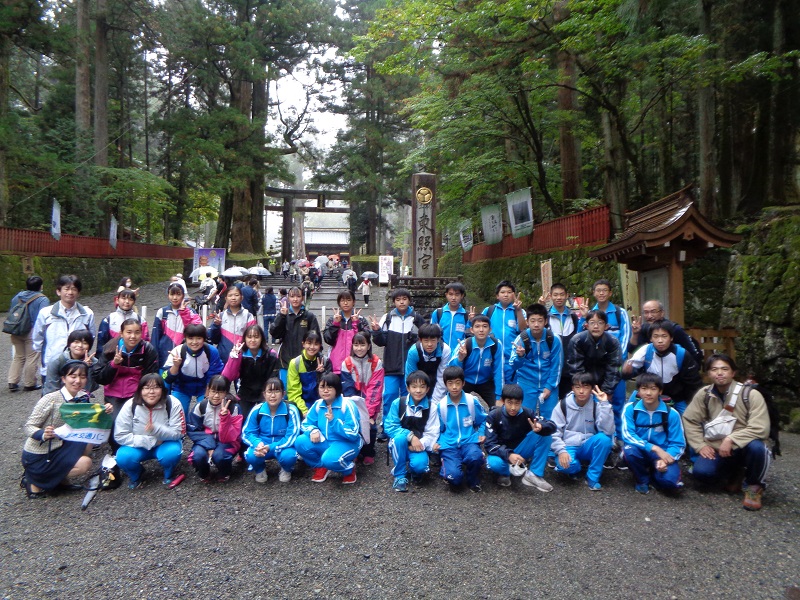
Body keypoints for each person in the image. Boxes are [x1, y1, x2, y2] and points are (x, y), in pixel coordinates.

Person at [682, 354, 772, 511]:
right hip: (717, 445)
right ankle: (735, 472)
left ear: (733, 372)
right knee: (702, 473)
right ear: (708, 373)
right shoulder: (704, 394)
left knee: (759, 449)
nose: (719, 373)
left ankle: (754, 486)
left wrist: (731, 439)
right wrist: (700, 445)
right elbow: (690, 419)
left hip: (745, 444)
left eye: (724, 369)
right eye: (714, 369)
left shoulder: (750, 394)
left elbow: (760, 427)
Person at [20, 361, 113, 498]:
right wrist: (43, 434)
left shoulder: (82, 397)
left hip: (62, 445)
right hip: (41, 452)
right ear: (63, 379)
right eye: (73, 376)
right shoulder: (50, 399)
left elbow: (89, 417)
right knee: (85, 461)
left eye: (82, 377)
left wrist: (105, 410)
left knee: (88, 445)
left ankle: (59, 480)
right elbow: (28, 426)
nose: (78, 381)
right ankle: (33, 480)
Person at [93, 318, 160, 452]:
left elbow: (150, 377)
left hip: (137, 393)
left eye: (137, 332)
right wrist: (114, 364)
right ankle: (116, 453)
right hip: (114, 394)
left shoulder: (147, 349)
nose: (133, 336)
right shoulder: (110, 349)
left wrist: (144, 396)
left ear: (141, 333)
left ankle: (135, 452)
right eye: (129, 332)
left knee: (138, 423)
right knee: (114, 423)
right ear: (121, 333)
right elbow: (99, 378)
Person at [578, 279, 631, 441]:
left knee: (617, 403)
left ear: (610, 293)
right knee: (595, 404)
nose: (601, 293)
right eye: (598, 290)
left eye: (604, 290)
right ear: (593, 293)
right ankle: (599, 438)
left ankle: (619, 439)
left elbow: (625, 337)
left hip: (615, 367)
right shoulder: (589, 313)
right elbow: (580, 338)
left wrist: (616, 360)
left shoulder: (619, 313)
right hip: (595, 368)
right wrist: (583, 317)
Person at [114, 374, 186, 488]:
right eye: (146, 388)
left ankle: (169, 473)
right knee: (123, 457)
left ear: (163, 389)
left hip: (165, 443)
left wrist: (157, 429)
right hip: (139, 446)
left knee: (172, 453)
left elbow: (179, 432)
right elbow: (120, 435)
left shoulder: (172, 403)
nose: (151, 392)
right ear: (140, 390)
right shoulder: (130, 405)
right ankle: (136, 475)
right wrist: (151, 441)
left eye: (156, 387)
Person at [371, 288, 425, 439]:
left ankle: (408, 426)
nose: (401, 302)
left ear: (409, 301)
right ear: (393, 302)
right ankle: (387, 427)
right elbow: (381, 341)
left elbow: (425, 339)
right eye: (398, 299)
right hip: (391, 367)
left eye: (404, 299)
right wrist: (376, 331)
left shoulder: (416, 319)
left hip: (411, 368)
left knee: (410, 398)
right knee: (389, 397)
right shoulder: (388, 318)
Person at [621, 373, 686, 495]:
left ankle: (655, 474)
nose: (648, 393)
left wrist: (666, 460)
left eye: (653, 389)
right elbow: (628, 435)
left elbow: (678, 443)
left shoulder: (671, 413)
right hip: (640, 450)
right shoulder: (630, 409)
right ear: (638, 391)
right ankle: (642, 480)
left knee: (671, 484)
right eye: (644, 388)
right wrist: (654, 448)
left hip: (663, 453)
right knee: (629, 451)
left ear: (660, 391)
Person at [621, 319, 703, 414]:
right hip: (648, 392)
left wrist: (695, 403)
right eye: (656, 336)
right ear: (651, 339)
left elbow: (693, 382)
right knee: (628, 411)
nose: (660, 341)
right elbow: (630, 371)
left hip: (676, 397)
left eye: (664, 336)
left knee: (689, 418)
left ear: (671, 338)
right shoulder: (645, 351)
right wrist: (626, 371)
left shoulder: (681, 354)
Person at [295, 373, 363, 484]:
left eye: (330, 387)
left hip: (347, 443)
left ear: (337, 388)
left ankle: (349, 469)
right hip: (326, 442)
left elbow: (353, 433)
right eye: (322, 387)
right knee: (300, 442)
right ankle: (321, 467)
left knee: (330, 459)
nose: (325, 391)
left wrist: (334, 422)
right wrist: (313, 430)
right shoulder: (318, 404)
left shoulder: (347, 405)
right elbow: (305, 424)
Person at [550, 374, 615, 490]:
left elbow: (608, 430)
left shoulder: (596, 405)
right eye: (577, 387)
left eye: (586, 387)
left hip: (587, 444)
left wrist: (605, 404)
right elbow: (554, 432)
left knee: (605, 440)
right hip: (568, 446)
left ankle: (592, 477)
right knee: (567, 466)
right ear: (572, 388)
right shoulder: (563, 405)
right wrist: (561, 451)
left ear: (592, 389)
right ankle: (576, 468)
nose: (581, 391)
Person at [429, 366, 488, 492]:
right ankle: (447, 468)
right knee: (455, 479)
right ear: (445, 384)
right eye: (450, 383)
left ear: (463, 383)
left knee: (475, 457)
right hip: (449, 445)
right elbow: (438, 429)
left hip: (469, 441)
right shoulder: (441, 406)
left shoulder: (472, 402)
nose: (454, 387)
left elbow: (484, 419)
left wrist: (481, 432)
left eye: (457, 383)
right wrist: (437, 442)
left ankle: (473, 480)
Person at [32, 274, 95, 386]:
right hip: (51, 364)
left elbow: (91, 337)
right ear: (58, 291)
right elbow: (37, 337)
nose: (70, 292)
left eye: (74, 289)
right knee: (51, 394)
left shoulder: (87, 314)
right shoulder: (46, 313)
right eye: (66, 288)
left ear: (78, 293)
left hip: (78, 367)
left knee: (77, 395)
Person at [566, 309, 622, 425]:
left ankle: (614, 433)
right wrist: (585, 388)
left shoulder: (613, 342)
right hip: (584, 382)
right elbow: (576, 368)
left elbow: (614, 368)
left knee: (611, 410)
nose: (596, 326)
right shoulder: (577, 340)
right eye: (592, 323)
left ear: (606, 326)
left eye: (600, 323)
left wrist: (607, 391)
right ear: (586, 325)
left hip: (606, 381)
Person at [384, 371, 437, 492]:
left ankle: (414, 470)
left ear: (428, 389)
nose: (418, 390)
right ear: (408, 388)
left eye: (422, 387)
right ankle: (399, 475)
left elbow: (432, 432)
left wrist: (420, 444)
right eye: (414, 387)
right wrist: (410, 436)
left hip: (419, 446)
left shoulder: (432, 407)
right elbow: (390, 426)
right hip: (400, 444)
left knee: (420, 467)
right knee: (399, 439)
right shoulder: (399, 403)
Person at [507, 303, 563, 418]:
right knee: (525, 417)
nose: (536, 324)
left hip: (548, 382)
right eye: (532, 321)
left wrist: (549, 387)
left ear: (546, 321)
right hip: (526, 383)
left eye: (540, 320)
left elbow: (557, 366)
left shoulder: (554, 339)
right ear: (527, 322)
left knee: (550, 418)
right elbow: (512, 365)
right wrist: (520, 356)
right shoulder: (521, 339)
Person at [242, 378, 302, 484]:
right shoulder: (257, 410)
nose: (273, 395)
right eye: (269, 391)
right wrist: (257, 443)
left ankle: (286, 469)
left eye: (277, 391)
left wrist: (271, 447)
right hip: (262, 445)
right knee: (251, 455)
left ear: (283, 394)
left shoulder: (291, 410)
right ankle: (260, 470)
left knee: (289, 456)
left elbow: (292, 436)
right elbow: (247, 432)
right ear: (264, 394)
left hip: (283, 445)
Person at [187, 375, 243, 483]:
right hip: (205, 439)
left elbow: (233, 435)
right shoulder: (201, 406)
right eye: (213, 391)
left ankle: (224, 472)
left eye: (220, 392)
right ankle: (204, 473)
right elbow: (192, 429)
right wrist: (209, 445)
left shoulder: (234, 408)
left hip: (227, 441)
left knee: (219, 455)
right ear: (208, 390)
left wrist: (225, 418)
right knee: (198, 455)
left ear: (226, 392)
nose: (216, 396)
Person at [340, 331, 384, 465]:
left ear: (369, 346)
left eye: (362, 345)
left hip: (371, 400)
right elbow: (348, 389)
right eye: (356, 345)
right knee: (354, 424)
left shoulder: (376, 362)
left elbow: (375, 389)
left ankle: (369, 452)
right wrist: (354, 411)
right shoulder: (347, 363)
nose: (359, 348)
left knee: (370, 426)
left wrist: (368, 414)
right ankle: (355, 451)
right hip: (354, 399)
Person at [220, 326, 280, 422]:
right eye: (249, 337)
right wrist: (233, 358)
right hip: (245, 394)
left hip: (265, 394)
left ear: (262, 338)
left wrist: (268, 396)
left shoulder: (271, 354)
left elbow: (274, 378)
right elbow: (227, 377)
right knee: (242, 421)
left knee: (265, 420)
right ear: (245, 338)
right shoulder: (240, 354)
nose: (253, 340)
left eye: (256, 337)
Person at [163, 323, 224, 415]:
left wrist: (207, 396)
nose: (194, 342)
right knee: (179, 414)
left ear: (204, 339)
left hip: (204, 386)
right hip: (182, 387)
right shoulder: (177, 351)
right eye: (190, 338)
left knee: (205, 414)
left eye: (199, 338)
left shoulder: (211, 351)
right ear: (185, 338)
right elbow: (165, 377)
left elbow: (214, 375)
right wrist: (176, 366)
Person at [270, 286, 321, 385]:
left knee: (305, 390)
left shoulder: (309, 316)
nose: (295, 299)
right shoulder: (284, 315)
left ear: (302, 298)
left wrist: (317, 358)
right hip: (286, 361)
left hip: (305, 362)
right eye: (292, 296)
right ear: (288, 298)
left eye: (298, 296)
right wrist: (281, 316)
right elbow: (274, 333)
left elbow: (317, 339)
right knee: (287, 391)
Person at [7, 275, 48, 393]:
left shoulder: (17, 296)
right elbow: (43, 317)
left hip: (16, 328)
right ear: (40, 286)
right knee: (32, 357)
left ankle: (12, 381)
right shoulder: (42, 299)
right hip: (31, 330)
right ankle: (29, 383)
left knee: (19, 356)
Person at [629, 299, 702, 364]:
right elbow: (633, 350)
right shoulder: (644, 328)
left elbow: (693, 353)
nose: (649, 316)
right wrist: (635, 334)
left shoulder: (674, 329)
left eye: (653, 312)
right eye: (646, 312)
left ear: (662, 313)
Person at [541, 283, 580, 399]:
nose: (559, 297)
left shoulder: (573, 317)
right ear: (550, 296)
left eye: (562, 294)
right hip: (550, 369)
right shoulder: (545, 318)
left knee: (568, 402)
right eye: (556, 295)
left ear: (567, 295)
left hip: (569, 369)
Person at [150, 283, 202, 368]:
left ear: (183, 296)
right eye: (172, 294)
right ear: (168, 295)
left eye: (178, 294)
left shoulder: (191, 312)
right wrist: (154, 357)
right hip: (164, 354)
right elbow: (155, 336)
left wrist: (185, 313)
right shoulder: (162, 312)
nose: (175, 298)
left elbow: (197, 331)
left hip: (184, 353)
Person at [481, 280, 527, 372]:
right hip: (491, 356)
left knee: (511, 380)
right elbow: (479, 328)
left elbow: (523, 329)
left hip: (511, 357)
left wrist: (518, 310)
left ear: (513, 295)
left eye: (509, 292)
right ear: (497, 296)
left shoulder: (519, 311)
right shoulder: (489, 310)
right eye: (502, 292)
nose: (506, 295)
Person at [207, 285, 257, 364]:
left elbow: (253, 338)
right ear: (226, 298)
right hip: (224, 359)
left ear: (241, 297)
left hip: (243, 359)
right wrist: (216, 325)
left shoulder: (248, 316)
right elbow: (214, 339)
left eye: (236, 295)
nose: (233, 298)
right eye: (230, 295)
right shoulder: (221, 316)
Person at [286, 331, 331, 416]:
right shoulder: (295, 363)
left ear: (320, 345)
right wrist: (304, 411)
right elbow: (293, 392)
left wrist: (322, 374)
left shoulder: (325, 361)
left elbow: (329, 389)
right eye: (309, 343)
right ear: (303, 344)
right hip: (301, 407)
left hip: (322, 406)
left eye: (316, 344)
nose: (312, 347)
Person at [404, 323, 452, 403]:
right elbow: (410, 377)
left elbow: (442, 376)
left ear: (438, 339)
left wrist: (434, 403)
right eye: (426, 341)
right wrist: (416, 399)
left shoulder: (445, 350)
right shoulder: (413, 351)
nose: (429, 344)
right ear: (420, 340)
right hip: (419, 378)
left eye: (433, 340)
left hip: (436, 378)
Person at [323, 290, 369, 375]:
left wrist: (356, 323)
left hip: (356, 366)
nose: (345, 303)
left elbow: (367, 339)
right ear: (339, 303)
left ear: (353, 302)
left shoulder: (361, 320)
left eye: (348, 300)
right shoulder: (333, 319)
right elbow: (328, 339)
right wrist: (335, 324)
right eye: (342, 300)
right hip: (336, 366)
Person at [43, 330, 99, 396]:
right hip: (58, 397)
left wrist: (87, 368)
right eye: (76, 342)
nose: (80, 345)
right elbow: (51, 387)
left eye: (85, 343)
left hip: (81, 398)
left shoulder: (94, 362)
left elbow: (90, 388)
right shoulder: (57, 361)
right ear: (69, 344)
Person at [430, 282, 473, 350]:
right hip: (441, 352)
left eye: (457, 294)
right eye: (450, 294)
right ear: (446, 295)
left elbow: (469, 335)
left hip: (459, 352)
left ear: (462, 296)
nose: (453, 298)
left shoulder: (466, 315)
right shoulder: (438, 313)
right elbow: (431, 332)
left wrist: (471, 321)